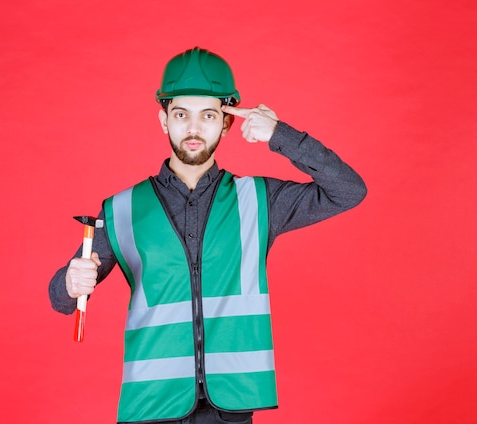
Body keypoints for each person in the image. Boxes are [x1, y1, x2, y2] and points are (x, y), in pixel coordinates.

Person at [49, 46, 367, 424]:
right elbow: (62, 298)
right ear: (164, 121)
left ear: (227, 123)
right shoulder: (121, 209)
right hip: (152, 404)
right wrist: (70, 282)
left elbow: (349, 190)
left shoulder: (262, 200)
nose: (194, 128)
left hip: (231, 405)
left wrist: (281, 135)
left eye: (209, 115)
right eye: (181, 114)